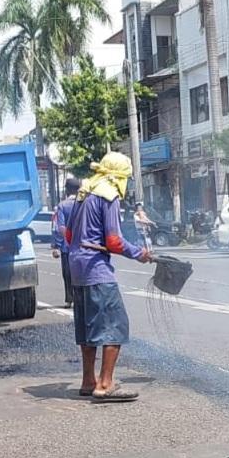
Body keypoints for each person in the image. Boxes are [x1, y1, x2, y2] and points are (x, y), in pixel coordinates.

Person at [66, 152, 153, 403]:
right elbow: (113, 240)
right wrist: (139, 253)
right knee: (115, 325)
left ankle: (87, 380)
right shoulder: (109, 195)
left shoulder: (83, 193)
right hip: (96, 269)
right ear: (119, 176)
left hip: (77, 267)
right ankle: (105, 384)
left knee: (87, 327)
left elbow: (69, 235)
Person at [50, 177, 81, 308]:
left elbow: (58, 227)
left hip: (67, 247)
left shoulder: (62, 206)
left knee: (68, 274)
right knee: (81, 273)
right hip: (83, 245)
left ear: (66, 190)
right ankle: (81, 299)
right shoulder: (84, 203)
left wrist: (56, 245)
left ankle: (69, 299)